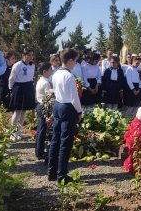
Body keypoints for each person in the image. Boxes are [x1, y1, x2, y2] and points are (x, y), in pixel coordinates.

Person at [48, 48, 83, 184]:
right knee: (65, 142)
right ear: (69, 61)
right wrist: (79, 112)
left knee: (55, 139)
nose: (75, 63)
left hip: (57, 105)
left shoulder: (56, 73)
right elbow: (74, 98)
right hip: (67, 107)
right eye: (75, 60)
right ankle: (62, 175)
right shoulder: (69, 76)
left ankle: (52, 172)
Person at [9, 48, 36, 141]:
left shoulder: (32, 66)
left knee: (24, 111)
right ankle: (12, 133)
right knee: (17, 112)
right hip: (19, 88)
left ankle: (19, 132)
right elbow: (12, 78)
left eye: (32, 55)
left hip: (28, 87)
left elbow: (31, 77)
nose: (31, 57)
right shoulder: (17, 65)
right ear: (23, 55)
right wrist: (10, 89)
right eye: (29, 55)